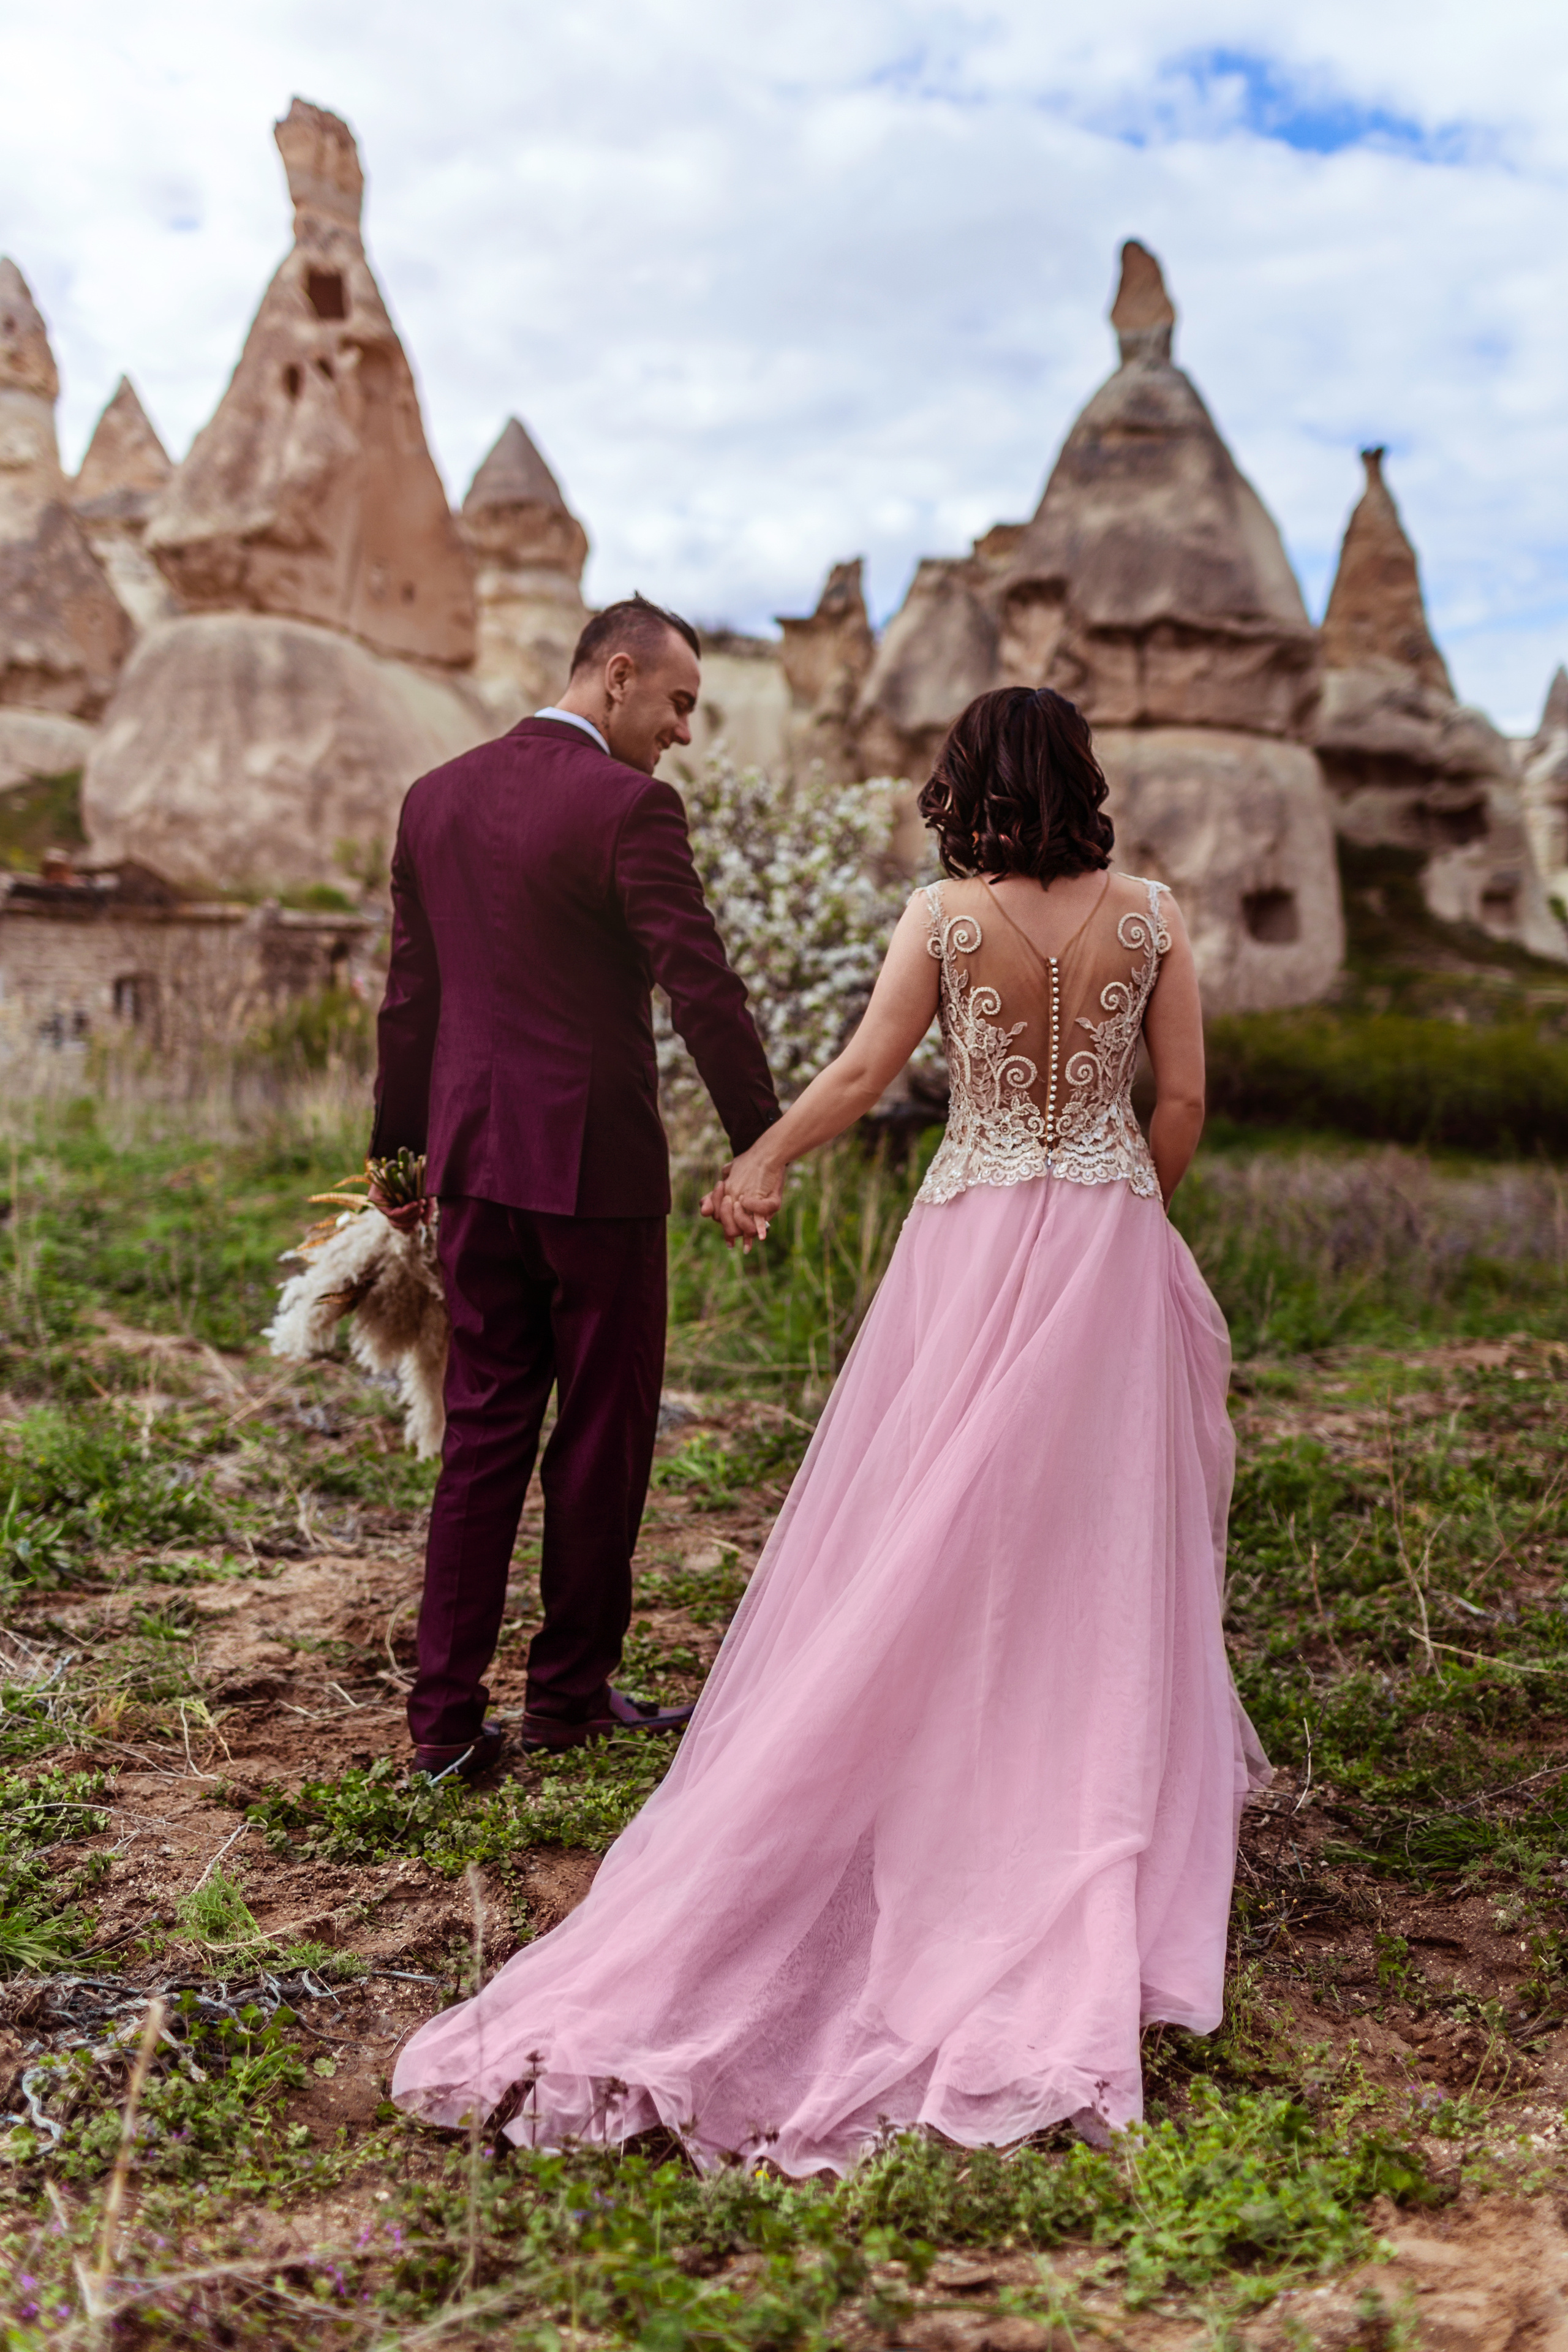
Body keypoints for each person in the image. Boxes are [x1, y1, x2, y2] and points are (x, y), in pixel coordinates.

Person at [392, 684, 1268, 2167]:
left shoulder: (940, 917)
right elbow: (1175, 1101)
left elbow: (865, 1078)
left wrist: (764, 1163)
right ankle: (1076, 1781)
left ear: (964, 783)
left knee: (934, 1512)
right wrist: (1125, 1215)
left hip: (971, 1232)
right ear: (1080, 777)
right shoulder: (1154, 917)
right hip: (1104, 1233)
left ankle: (939, 1756)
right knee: (1096, 1521)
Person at [371, 594, 781, 1780]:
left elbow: (411, 999)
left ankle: (442, 1727)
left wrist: (399, 1162)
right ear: (615, 676)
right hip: (592, 1170)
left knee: (484, 1435)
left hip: (471, 1171)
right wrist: (758, 1139)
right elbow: (698, 987)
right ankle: (566, 1697)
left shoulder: (432, 797)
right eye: (678, 703)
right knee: (601, 1435)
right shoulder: (628, 806)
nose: (683, 732)